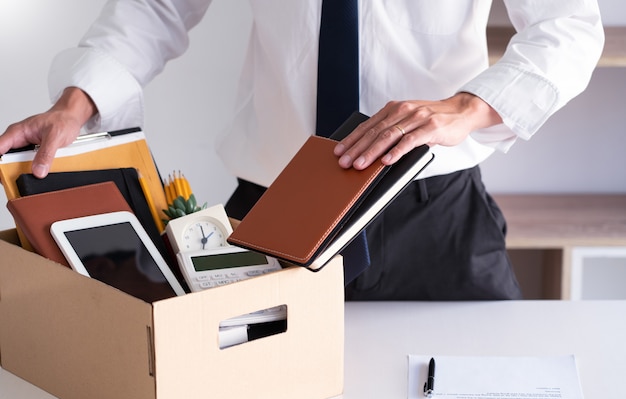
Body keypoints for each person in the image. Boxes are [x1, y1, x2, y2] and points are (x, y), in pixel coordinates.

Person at [0, 1, 604, 300]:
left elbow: (569, 25)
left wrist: (468, 105)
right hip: (270, 215)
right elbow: (156, 6)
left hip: (436, 216)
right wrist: (78, 101)